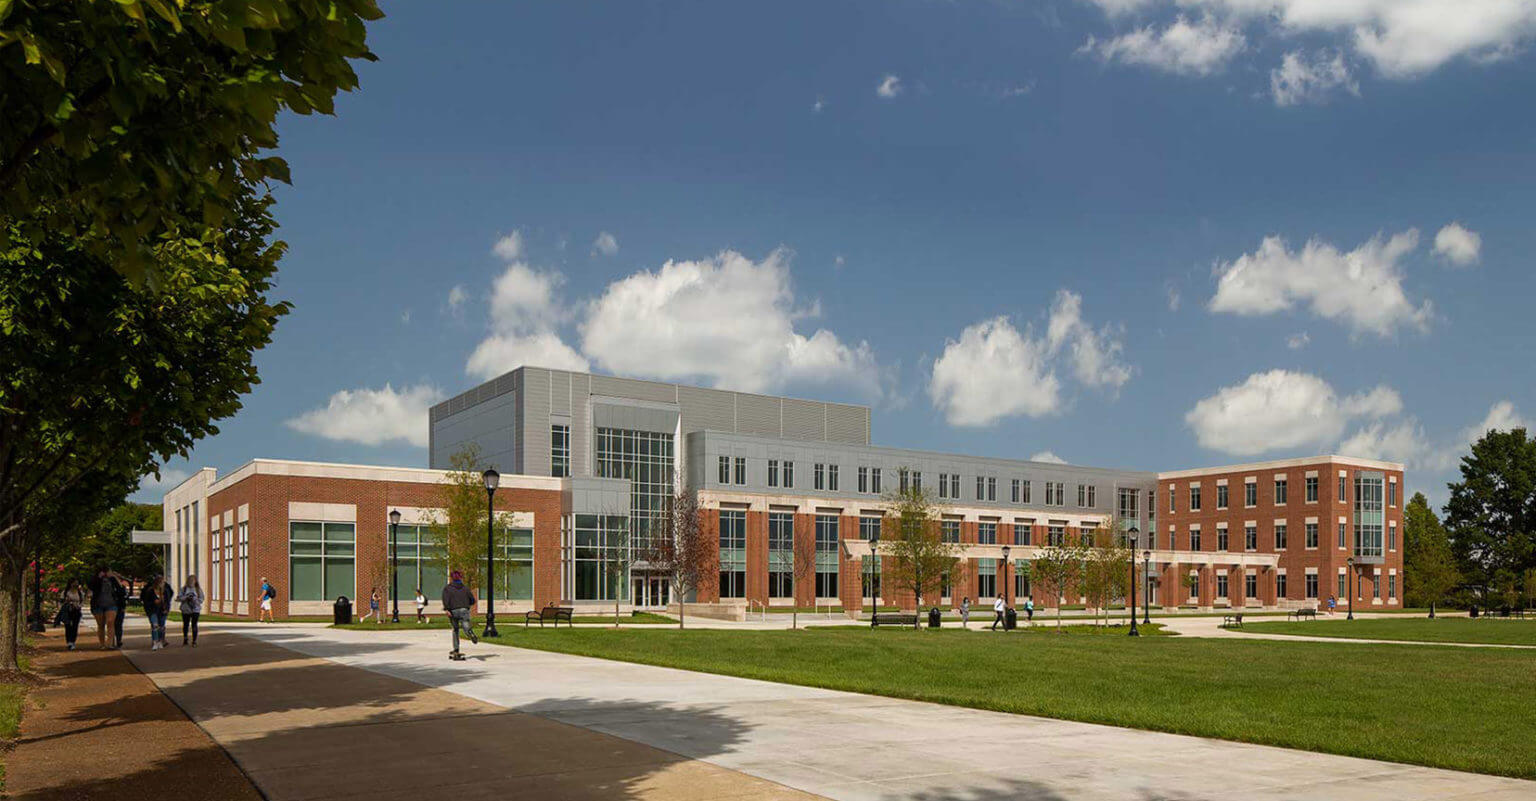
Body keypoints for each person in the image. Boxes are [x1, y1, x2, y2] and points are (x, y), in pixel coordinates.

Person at [441, 571, 478, 659]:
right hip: (464, 609)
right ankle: (470, 633)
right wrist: (467, 605)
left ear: (451, 578)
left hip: (453, 610)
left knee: (455, 629)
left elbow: (445, 599)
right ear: (460, 578)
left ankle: (456, 649)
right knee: (465, 625)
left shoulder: (447, 588)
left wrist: (447, 609)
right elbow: (472, 600)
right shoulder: (465, 588)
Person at [87, 566, 123, 650]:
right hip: (98, 604)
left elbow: (120, 590)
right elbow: (91, 586)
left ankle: (109, 643)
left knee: (110, 622)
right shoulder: (95, 580)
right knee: (101, 625)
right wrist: (99, 577)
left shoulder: (112, 580)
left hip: (111, 604)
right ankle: (102, 644)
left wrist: (115, 577)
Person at [141, 574, 173, 650]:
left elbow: (168, 601)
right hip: (153, 611)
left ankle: (160, 641)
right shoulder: (150, 591)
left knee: (161, 627)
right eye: (161, 582)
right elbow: (146, 602)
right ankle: (155, 641)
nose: (162, 584)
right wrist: (153, 602)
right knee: (155, 626)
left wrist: (166, 609)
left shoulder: (165, 591)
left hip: (162, 611)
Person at [57, 580, 85, 651]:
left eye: (76, 583)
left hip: (76, 611)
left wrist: (78, 606)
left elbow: (82, 602)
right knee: (68, 626)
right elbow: (60, 602)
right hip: (67, 611)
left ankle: (73, 641)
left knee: (75, 627)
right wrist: (62, 608)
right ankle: (69, 641)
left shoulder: (80, 593)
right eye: (73, 583)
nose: (75, 585)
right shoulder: (65, 592)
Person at [177, 575, 204, 646]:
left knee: (194, 625)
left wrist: (195, 600)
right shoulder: (184, 589)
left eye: (193, 580)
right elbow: (179, 598)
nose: (191, 581)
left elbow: (201, 599)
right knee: (186, 624)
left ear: (195, 581)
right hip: (186, 609)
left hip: (195, 610)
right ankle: (185, 638)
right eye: (190, 580)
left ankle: (194, 641)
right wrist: (186, 598)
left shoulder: (198, 590)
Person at [111, 574, 128, 648]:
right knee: (114, 625)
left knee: (118, 625)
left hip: (119, 608)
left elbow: (123, 597)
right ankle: (113, 641)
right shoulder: (110, 587)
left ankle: (118, 640)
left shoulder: (122, 588)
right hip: (112, 607)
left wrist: (123, 607)